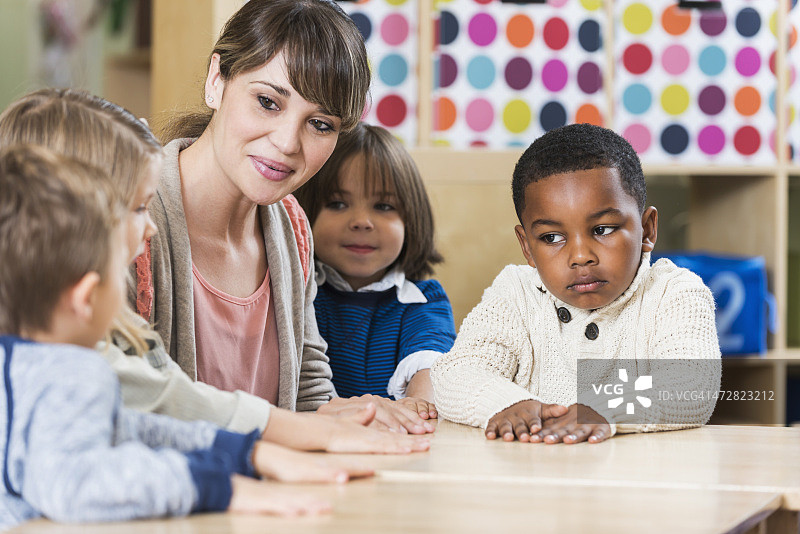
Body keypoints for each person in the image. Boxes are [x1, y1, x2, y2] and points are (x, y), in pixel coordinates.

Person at [0, 88, 430, 453]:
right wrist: (252, 463)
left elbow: (166, 396)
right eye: (134, 207)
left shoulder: (291, 228)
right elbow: (159, 403)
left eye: (320, 123)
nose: (148, 225)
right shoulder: (48, 355)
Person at [0, 145, 358, 528]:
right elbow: (78, 486)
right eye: (117, 274)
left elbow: (134, 429)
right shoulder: (74, 373)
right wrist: (215, 487)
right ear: (87, 298)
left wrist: (241, 451)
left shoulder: (23, 364)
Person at [142, 0, 434, 434]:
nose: (286, 143)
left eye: (320, 124)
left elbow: (307, 391)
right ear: (215, 81)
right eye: (267, 101)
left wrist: (353, 413)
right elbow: (128, 398)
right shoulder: (128, 216)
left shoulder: (292, 225)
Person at [431, 123, 721, 443]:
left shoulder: (675, 293)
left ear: (647, 229)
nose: (580, 256)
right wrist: (508, 404)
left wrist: (606, 408)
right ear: (527, 246)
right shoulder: (516, 292)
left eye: (603, 229)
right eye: (552, 237)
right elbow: (455, 373)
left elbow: (691, 386)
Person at [294, 122, 456, 412]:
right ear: (305, 212)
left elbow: (430, 374)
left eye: (383, 207)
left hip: (399, 441)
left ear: (411, 220)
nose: (361, 221)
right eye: (338, 204)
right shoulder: (296, 295)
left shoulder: (422, 300)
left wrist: (416, 408)